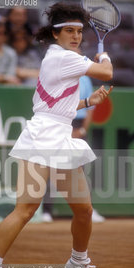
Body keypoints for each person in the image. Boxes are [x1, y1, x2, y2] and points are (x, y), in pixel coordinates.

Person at [0, 2, 113, 268]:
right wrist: (104, 53)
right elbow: (106, 72)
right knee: (26, 210)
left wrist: (88, 102)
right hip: (41, 138)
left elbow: (54, 105)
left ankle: (78, 262)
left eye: (79, 31)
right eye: (69, 31)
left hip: (60, 136)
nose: (76, 36)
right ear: (55, 33)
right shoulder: (65, 58)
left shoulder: (60, 57)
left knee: (84, 210)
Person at [42, 75, 106, 223]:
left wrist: (82, 130)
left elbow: (90, 108)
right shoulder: (59, 76)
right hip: (60, 123)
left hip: (78, 125)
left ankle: (86, 209)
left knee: (80, 171)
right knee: (52, 167)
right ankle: (46, 210)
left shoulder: (85, 79)